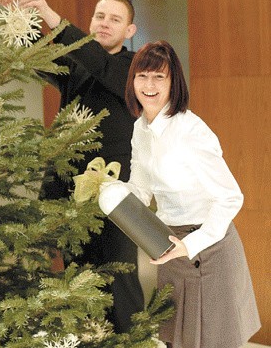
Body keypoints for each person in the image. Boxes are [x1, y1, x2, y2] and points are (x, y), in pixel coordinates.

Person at [0, 0, 143, 333]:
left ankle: (130, 341)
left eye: (115, 19)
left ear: (129, 31)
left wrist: (50, 14)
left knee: (119, 275)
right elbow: (40, 53)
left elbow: (99, 63)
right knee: (78, 273)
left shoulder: (133, 66)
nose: (105, 23)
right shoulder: (79, 65)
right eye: (99, 16)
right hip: (69, 191)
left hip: (116, 191)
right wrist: (22, 13)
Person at [101, 40, 260, 347]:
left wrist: (191, 245)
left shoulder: (190, 130)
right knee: (176, 340)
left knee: (213, 341)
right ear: (132, 80)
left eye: (159, 77)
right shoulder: (140, 128)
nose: (149, 85)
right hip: (169, 246)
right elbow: (141, 190)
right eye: (142, 76)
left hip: (209, 248)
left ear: (173, 83)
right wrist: (109, 190)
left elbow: (230, 197)